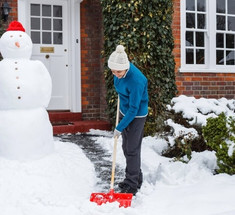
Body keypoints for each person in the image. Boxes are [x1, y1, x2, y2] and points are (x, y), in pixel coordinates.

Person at [108, 45, 148, 195]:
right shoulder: (118, 72)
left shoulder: (136, 81)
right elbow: (121, 90)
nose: (115, 74)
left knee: (132, 149)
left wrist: (119, 126)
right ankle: (136, 177)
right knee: (127, 148)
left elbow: (134, 109)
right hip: (125, 110)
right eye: (113, 71)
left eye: (118, 72)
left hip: (136, 115)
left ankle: (132, 184)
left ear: (126, 67)